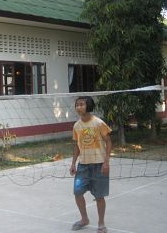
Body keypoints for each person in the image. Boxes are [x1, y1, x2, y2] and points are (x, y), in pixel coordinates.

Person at [70, 96, 112, 233]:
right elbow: (76, 145)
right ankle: (84, 219)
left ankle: (101, 223)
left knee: (99, 196)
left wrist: (106, 162)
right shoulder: (76, 126)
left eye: (81, 104)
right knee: (77, 192)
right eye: (77, 105)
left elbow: (109, 142)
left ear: (88, 106)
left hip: (99, 165)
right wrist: (73, 163)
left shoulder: (98, 123)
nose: (78, 107)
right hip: (83, 165)